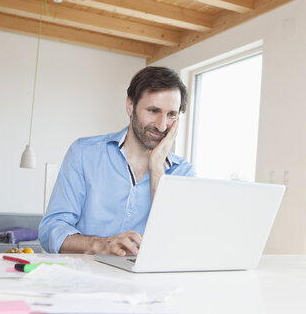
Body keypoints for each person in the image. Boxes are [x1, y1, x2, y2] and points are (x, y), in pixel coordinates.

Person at [38, 66, 195, 255]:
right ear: (130, 105)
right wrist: (100, 244)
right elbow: (51, 231)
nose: (162, 126)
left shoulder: (183, 173)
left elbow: (176, 244)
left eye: (171, 114)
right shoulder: (84, 153)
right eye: (153, 111)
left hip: (146, 282)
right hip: (84, 280)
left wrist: (157, 168)